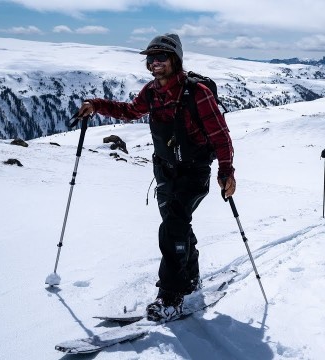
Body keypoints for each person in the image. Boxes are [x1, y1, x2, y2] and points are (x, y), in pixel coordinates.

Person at [76, 33, 235, 321]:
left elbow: (220, 135)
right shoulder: (151, 92)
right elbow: (129, 111)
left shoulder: (198, 92)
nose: (154, 62)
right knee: (177, 226)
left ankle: (171, 296)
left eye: (161, 57)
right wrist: (97, 105)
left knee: (173, 226)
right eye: (151, 58)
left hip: (194, 170)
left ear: (175, 59)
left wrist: (226, 172)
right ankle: (190, 278)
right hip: (164, 170)